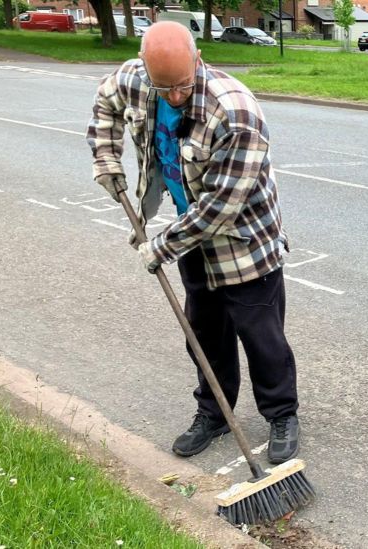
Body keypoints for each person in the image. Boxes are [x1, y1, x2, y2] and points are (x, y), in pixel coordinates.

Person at [86, 21, 300, 464]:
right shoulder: (141, 80)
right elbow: (106, 99)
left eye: (182, 86)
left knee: (261, 336)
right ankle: (214, 413)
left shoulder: (236, 112)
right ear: (147, 71)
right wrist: (106, 158)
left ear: (199, 59)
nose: (175, 97)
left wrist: (161, 245)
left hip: (245, 240)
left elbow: (222, 207)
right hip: (192, 237)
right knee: (203, 332)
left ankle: (282, 414)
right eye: (165, 88)